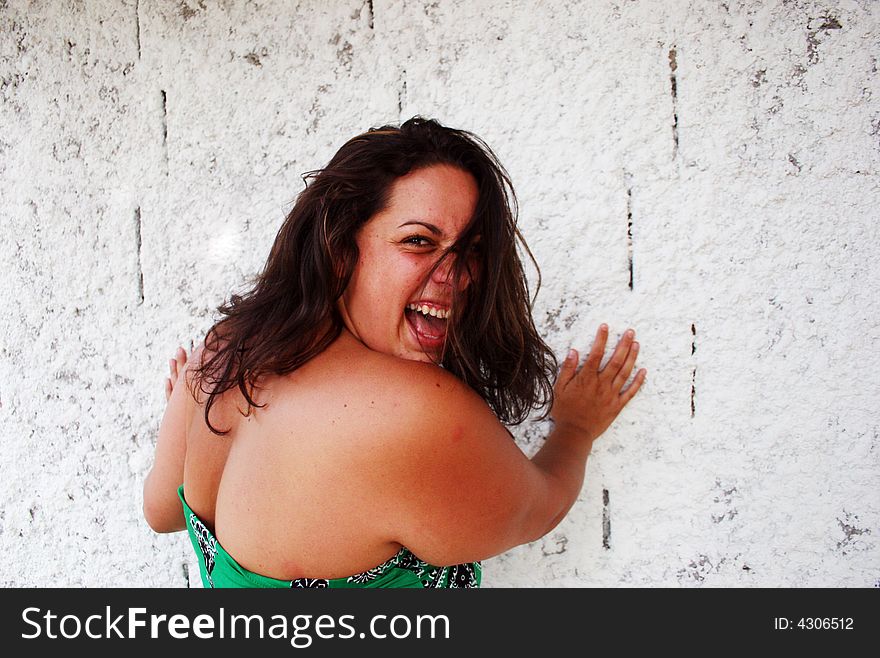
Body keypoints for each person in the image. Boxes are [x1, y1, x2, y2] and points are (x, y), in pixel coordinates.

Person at [143, 117, 646, 588]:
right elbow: (540, 509)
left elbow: (162, 511)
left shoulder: (224, 352)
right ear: (341, 251)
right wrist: (577, 429)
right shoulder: (415, 409)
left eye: (471, 250)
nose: (458, 276)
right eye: (419, 241)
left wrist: (185, 413)